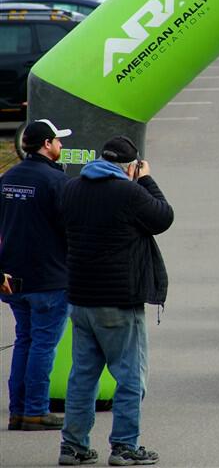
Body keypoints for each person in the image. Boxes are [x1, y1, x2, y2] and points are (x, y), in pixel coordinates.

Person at [59, 136, 174, 466]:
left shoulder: (73, 188)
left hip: (81, 298)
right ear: (130, 165)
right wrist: (147, 179)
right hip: (119, 300)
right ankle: (124, 446)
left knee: (83, 377)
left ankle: (73, 446)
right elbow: (163, 217)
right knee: (130, 377)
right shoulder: (128, 191)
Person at [0, 119, 71, 432]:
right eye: (58, 141)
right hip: (49, 279)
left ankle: (18, 411)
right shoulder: (57, 182)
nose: (61, 146)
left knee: (24, 341)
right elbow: (70, 229)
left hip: (12, 278)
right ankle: (35, 411)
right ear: (46, 145)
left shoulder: (8, 178)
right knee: (43, 344)